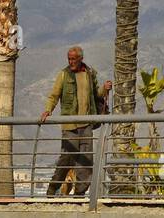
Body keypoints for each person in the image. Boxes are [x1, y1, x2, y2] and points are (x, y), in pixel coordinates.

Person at [40, 47, 112, 196]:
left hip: (86, 125)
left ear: (80, 59)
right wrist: (48, 110)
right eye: (69, 59)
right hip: (70, 125)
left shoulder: (89, 74)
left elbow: (95, 94)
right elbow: (54, 95)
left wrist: (104, 89)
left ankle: (79, 194)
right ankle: (52, 189)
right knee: (66, 159)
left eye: (73, 59)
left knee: (85, 161)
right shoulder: (63, 75)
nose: (71, 62)